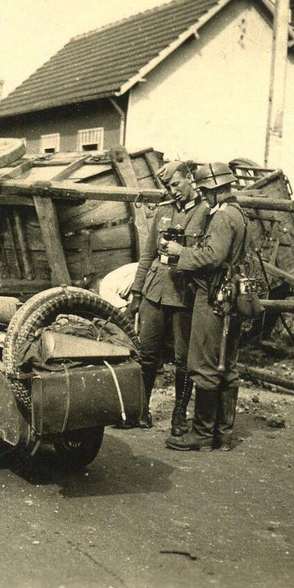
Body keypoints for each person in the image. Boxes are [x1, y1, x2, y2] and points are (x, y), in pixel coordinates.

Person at [163, 161, 249, 452]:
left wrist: (181, 252)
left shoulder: (222, 217)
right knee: (227, 364)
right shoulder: (239, 214)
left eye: (204, 191)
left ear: (214, 189)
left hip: (213, 295)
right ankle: (223, 435)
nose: (203, 195)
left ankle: (201, 434)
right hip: (231, 295)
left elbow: (213, 256)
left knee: (204, 364)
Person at [118, 161, 209, 431]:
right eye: (169, 187)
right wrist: (137, 293)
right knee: (146, 353)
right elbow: (147, 256)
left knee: (183, 359)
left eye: (177, 184)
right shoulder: (163, 211)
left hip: (184, 294)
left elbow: (208, 255)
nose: (173, 191)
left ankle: (179, 416)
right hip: (155, 292)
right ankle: (140, 411)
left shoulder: (206, 213)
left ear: (190, 178)